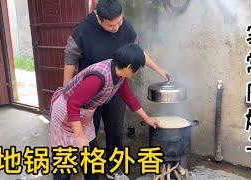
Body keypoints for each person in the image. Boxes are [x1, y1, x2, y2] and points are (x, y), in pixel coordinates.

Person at [62, 0, 169, 178]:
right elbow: (70, 60)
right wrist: (66, 90)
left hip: (114, 84)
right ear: (99, 18)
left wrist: (159, 70)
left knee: (115, 131)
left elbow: (138, 53)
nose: (118, 28)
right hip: (89, 93)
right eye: (112, 25)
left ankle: (115, 167)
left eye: (120, 22)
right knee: (89, 135)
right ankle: (89, 171)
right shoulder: (83, 31)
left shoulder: (121, 75)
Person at [50, 43, 160, 179]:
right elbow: (73, 103)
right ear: (129, 67)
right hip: (66, 113)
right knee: (64, 160)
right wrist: (79, 135)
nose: (136, 73)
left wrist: (147, 118)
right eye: (137, 70)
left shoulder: (120, 75)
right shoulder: (98, 77)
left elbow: (129, 98)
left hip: (84, 114)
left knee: (91, 157)